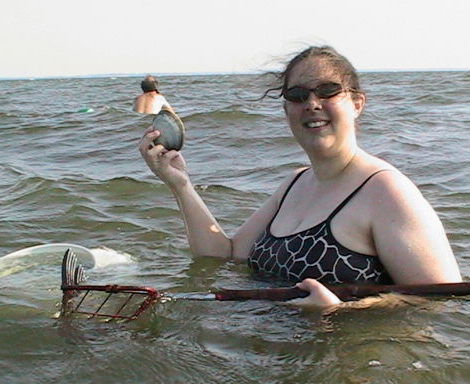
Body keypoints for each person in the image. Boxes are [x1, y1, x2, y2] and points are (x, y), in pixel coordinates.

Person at [139, 46, 462, 307]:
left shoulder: (386, 191)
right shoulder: (294, 183)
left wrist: (345, 308)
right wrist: (180, 185)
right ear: (286, 110)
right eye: (297, 95)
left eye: (327, 91)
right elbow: (222, 255)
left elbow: (443, 302)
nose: (312, 104)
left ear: (357, 103)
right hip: (277, 356)